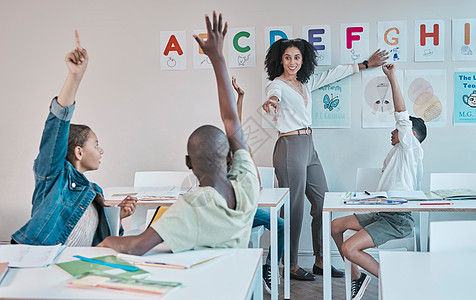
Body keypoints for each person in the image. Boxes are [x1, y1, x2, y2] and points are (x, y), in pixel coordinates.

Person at [98, 11, 259, 255]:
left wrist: (105, 242)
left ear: (188, 163)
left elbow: (136, 246)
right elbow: (231, 119)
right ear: (229, 157)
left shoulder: (192, 206)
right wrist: (218, 58)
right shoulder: (248, 184)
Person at [262, 38, 388, 281]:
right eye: (288, 57)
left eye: (296, 57)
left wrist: (365, 64)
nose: (292, 62)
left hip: (309, 146)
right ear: (280, 60)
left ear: (303, 60)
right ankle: (290, 264)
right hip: (289, 146)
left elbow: (334, 74)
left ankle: (321, 260)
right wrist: (273, 101)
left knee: (322, 202)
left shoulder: (305, 84)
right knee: (294, 208)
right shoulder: (276, 85)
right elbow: (274, 94)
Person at [11, 31, 136, 246]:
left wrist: (117, 217)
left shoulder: (94, 193)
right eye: (96, 145)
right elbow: (56, 126)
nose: (101, 150)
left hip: (72, 268)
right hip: (39, 261)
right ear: (79, 151)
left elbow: (97, 242)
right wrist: (75, 77)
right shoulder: (54, 177)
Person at [331, 63, 427, 300]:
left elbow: (402, 116)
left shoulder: (410, 149)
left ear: (410, 135)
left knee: (349, 247)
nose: (393, 132)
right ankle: (356, 277)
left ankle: (394, 283)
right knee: (334, 226)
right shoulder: (396, 153)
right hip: (381, 212)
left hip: (398, 218)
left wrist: (392, 77)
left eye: (397, 129)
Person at [232, 76, 285, 294]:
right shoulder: (232, 154)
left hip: (248, 209)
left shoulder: (244, 151)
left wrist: (241, 96)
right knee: (281, 224)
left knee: (280, 224)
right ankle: (267, 268)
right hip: (238, 213)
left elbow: (234, 120)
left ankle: (270, 267)